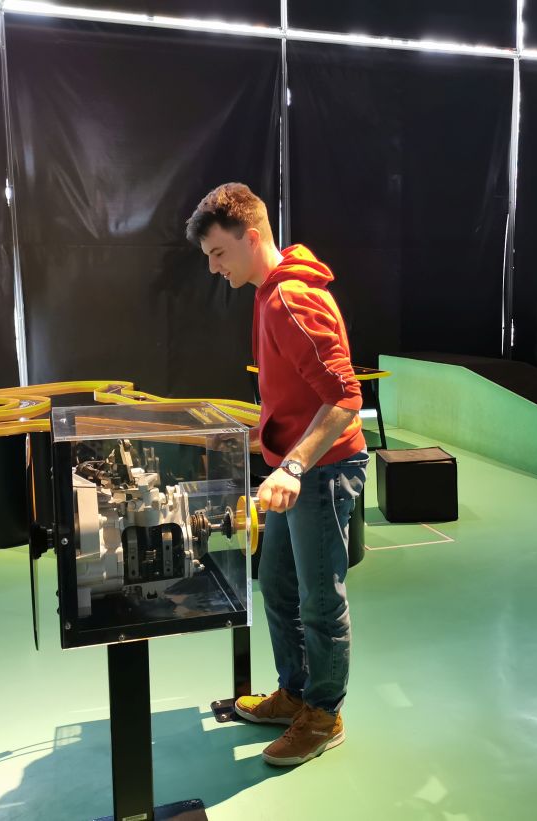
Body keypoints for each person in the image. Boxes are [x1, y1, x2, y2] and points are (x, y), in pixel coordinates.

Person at [185, 183, 368, 767]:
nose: (214, 268)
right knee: (280, 587)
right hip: (293, 470)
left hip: (321, 471)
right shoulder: (268, 294)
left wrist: (292, 464)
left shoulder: (290, 298)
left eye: (219, 253)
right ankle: (296, 692)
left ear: (251, 237)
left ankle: (324, 714)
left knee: (319, 600)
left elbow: (345, 397)